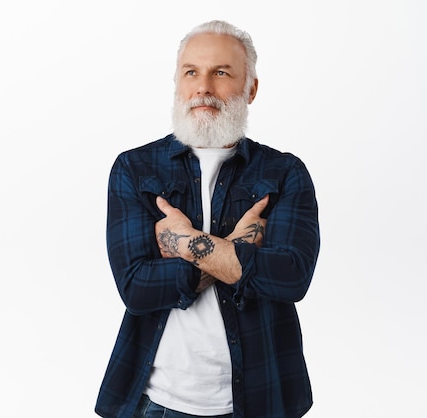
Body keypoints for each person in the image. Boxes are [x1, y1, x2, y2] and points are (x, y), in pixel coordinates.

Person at [95, 20, 320, 418]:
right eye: (191, 72)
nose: (203, 87)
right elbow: (136, 287)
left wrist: (181, 243)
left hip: (261, 401)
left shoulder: (285, 173)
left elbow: (290, 276)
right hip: (156, 402)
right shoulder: (134, 169)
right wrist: (238, 253)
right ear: (178, 83)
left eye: (221, 72)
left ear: (250, 88)